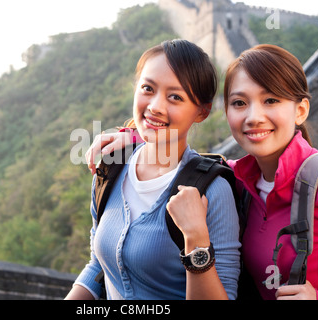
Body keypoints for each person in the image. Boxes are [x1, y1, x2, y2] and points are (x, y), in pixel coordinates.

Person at [86, 44, 318, 300]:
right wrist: (134, 138)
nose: (253, 116)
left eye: (271, 100)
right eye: (239, 103)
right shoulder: (239, 181)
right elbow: (183, 158)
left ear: (300, 110)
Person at [65, 39, 241, 300]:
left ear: (202, 112)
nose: (156, 106)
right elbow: (98, 267)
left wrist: (196, 239)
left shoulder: (212, 190)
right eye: (148, 88)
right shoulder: (111, 169)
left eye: (175, 97)